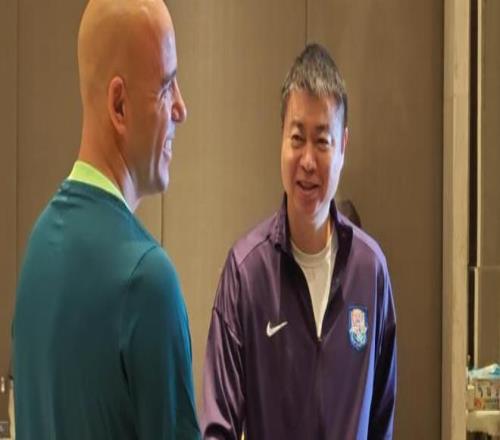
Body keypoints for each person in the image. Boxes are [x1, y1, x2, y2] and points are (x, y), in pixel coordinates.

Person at [12, 1, 200, 438]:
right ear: (119, 105)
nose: (181, 108)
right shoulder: (148, 282)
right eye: (166, 86)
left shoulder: (37, 252)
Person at [201, 44, 397, 440]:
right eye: (297, 138)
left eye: (322, 141)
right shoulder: (246, 273)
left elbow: (382, 420)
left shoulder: (370, 270)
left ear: (343, 146)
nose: (307, 160)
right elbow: (217, 427)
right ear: (281, 140)